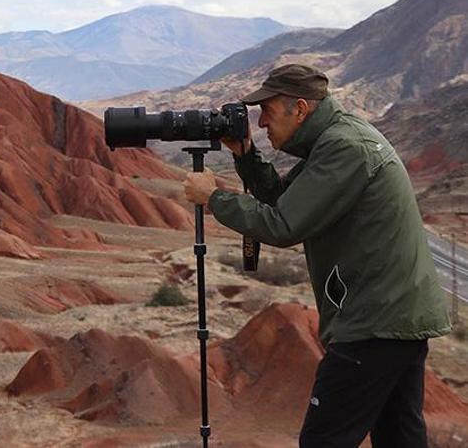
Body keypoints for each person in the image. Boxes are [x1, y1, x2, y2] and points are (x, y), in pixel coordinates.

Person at [182, 64, 451, 447]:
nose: (260, 123)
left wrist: (214, 199)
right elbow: (288, 201)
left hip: (372, 323)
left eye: (268, 112)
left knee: (325, 440)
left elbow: (283, 225)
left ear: (301, 109)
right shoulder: (337, 139)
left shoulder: (344, 148)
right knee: (399, 436)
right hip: (395, 317)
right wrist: (245, 155)